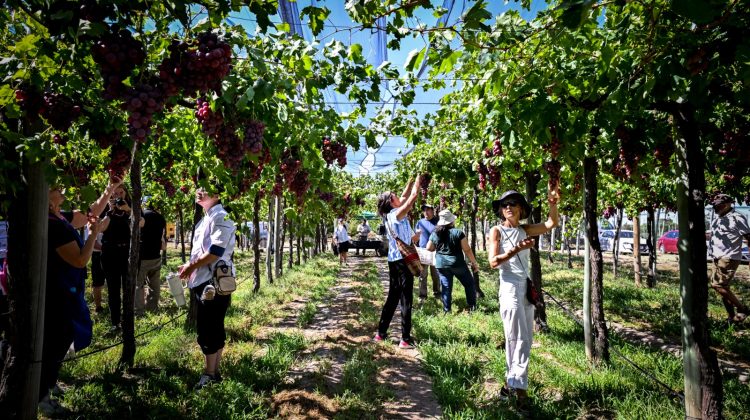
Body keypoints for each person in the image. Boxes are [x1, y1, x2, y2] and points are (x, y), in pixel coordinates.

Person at [40, 175, 120, 415]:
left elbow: (88, 212)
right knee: (56, 338)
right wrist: (95, 233)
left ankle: (49, 384)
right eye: (55, 185)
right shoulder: (51, 224)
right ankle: (41, 396)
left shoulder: (58, 215)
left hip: (67, 288)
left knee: (62, 337)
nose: (60, 187)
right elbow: (79, 260)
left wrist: (109, 189)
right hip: (55, 290)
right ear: (43, 195)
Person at [488, 188, 559, 412]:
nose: (508, 207)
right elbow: (492, 262)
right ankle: (521, 394)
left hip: (525, 290)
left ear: (521, 209)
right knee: (517, 339)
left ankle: (510, 384)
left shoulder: (525, 229)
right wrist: (515, 250)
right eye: (504, 204)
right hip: (509, 289)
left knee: (523, 338)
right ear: (500, 210)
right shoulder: (496, 231)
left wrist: (553, 203)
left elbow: (550, 224)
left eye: (513, 203)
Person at [179, 183, 235, 390]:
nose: (199, 191)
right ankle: (215, 371)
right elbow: (201, 252)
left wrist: (191, 266)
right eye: (198, 188)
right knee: (213, 326)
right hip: (202, 280)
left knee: (208, 328)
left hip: (213, 283)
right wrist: (189, 265)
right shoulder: (206, 218)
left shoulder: (220, 216)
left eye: (205, 189)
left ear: (218, 194)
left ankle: (209, 374)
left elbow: (215, 251)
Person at [373, 175, 422, 349]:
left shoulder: (389, 215)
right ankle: (405, 339)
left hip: (394, 260)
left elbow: (404, 195)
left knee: (393, 296)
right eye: (394, 196)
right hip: (402, 261)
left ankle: (381, 332)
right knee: (405, 298)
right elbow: (411, 197)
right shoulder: (397, 214)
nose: (398, 197)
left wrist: (409, 181)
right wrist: (418, 180)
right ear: (391, 202)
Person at [99, 185, 142, 333]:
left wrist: (129, 210)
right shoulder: (105, 209)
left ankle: (128, 321)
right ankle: (115, 322)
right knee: (113, 289)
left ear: (126, 193)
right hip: (110, 253)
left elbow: (141, 223)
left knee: (128, 287)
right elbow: (100, 228)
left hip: (128, 253)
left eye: (121, 192)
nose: (117, 195)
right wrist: (110, 213)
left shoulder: (132, 207)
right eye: (114, 192)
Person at [425, 209, 479, 313]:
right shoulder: (458, 233)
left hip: (441, 265)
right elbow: (467, 249)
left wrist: (438, 247)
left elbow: (429, 248)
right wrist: (474, 263)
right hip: (457, 264)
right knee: (469, 284)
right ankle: (471, 306)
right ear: (451, 221)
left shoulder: (436, 233)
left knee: (446, 287)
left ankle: (447, 310)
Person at [708, 193, 750, 324]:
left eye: (718, 205)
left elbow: (749, 237)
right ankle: (732, 318)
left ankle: (743, 309)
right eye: (714, 206)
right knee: (723, 288)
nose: (715, 208)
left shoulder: (737, 218)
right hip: (717, 256)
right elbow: (715, 236)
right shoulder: (718, 218)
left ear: (727, 204)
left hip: (729, 257)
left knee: (717, 285)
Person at [135, 203, 166, 315]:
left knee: (138, 285)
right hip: (156, 256)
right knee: (155, 285)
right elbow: (162, 238)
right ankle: (152, 308)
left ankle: (139, 311)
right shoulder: (161, 218)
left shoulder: (142, 215)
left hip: (142, 257)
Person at [415, 204, 441, 303]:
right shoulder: (420, 222)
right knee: (422, 275)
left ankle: (437, 293)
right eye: (424, 210)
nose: (425, 212)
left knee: (436, 274)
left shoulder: (438, 222)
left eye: (428, 210)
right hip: (423, 252)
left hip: (435, 251)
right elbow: (416, 236)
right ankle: (422, 296)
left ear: (433, 211)